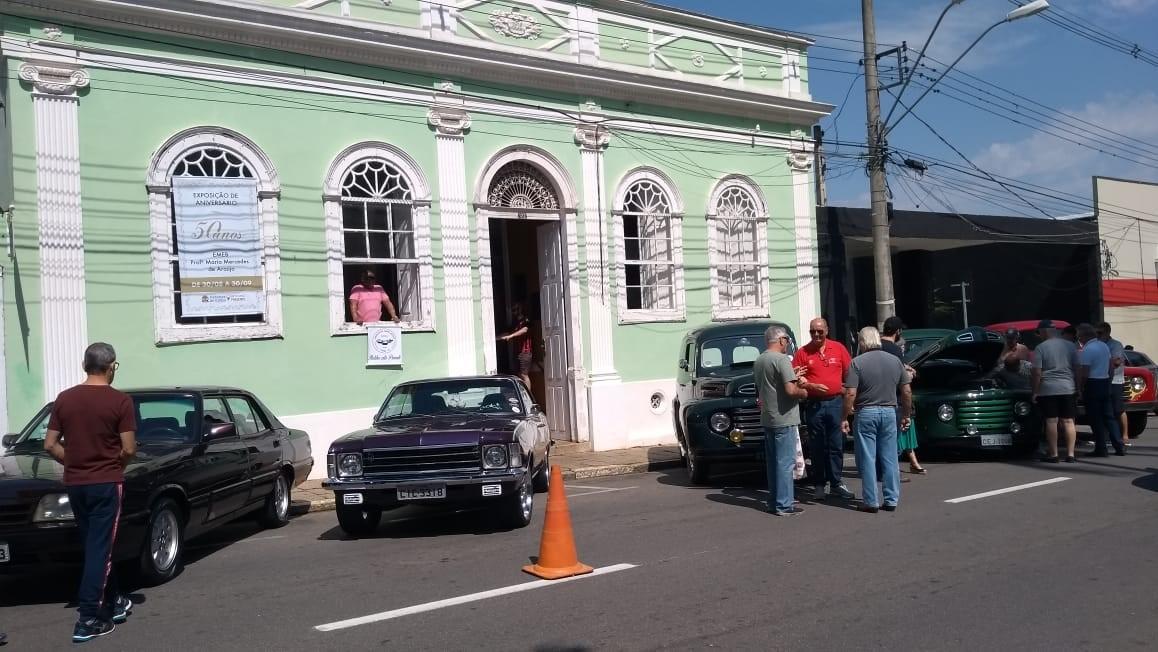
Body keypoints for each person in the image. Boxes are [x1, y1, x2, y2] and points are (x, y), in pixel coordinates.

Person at [43, 343, 137, 643]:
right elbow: (129, 448)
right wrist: (113, 464)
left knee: (96, 545)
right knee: (102, 548)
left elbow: (50, 444)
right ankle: (88, 618)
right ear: (110, 366)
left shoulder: (65, 399)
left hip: (75, 483)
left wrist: (74, 461)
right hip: (106, 482)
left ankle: (113, 601)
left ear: (86, 365)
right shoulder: (119, 401)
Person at [842, 326, 912, 513]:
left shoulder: (857, 363)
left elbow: (850, 393)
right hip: (889, 411)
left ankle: (871, 500)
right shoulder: (895, 361)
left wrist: (845, 416)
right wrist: (906, 414)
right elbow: (906, 390)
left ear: (863, 343)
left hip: (866, 412)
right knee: (890, 457)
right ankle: (891, 499)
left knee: (867, 458)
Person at [792, 317, 855, 501]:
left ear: (827, 330)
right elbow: (792, 376)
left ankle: (836, 483)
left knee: (836, 444)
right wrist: (803, 381)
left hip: (836, 403)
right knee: (817, 445)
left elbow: (850, 374)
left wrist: (850, 398)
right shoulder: (803, 352)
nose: (816, 334)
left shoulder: (838, 348)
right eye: (813, 331)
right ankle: (819, 484)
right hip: (814, 405)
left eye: (820, 331)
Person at [753, 325, 809, 516]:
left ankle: (774, 501)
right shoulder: (782, 359)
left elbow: (769, 385)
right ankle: (784, 505)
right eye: (787, 340)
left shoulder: (760, 360)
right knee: (785, 463)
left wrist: (794, 375)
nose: (788, 343)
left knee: (774, 463)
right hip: (784, 417)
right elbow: (791, 391)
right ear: (781, 340)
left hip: (768, 417)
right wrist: (804, 391)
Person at [880, 317, 926, 475]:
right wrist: (909, 375)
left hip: (878, 398)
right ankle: (892, 474)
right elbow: (902, 380)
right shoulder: (894, 349)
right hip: (895, 399)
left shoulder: (876, 346)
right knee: (894, 439)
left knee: (882, 440)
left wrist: (906, 367)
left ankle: (883, 472)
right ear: (898, 331)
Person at [1031, 320, 1080, 462]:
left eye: (1039, 333)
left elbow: (1037, 372)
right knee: (1069, 421)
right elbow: (1077, 368)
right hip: (1068, 387)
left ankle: (1054, 454)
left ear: (1044, 331)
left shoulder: (1041, 348)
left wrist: (1035, 391)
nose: (1039, 335)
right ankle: (1071, 454)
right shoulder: (1070, 346)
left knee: (1051, 421)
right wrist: (1078, 387)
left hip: (1048, 389)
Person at [1077, 323, 1125, 457]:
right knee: (1109, 417)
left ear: (1084, 336)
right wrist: (1108, 380)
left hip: (1093, 384)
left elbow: (1085, 372)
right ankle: (1119, 445)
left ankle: (1101, 448)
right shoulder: (1103, 346)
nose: (1079, 340)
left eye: (1079, 337)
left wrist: (1080, 388)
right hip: (1104, 382)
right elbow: (1111, 367)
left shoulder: (1088, 349)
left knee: (1095, 418)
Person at [1096, 321, 1129, 446]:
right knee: (1105, 409)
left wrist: (1102, 363)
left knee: (1118, 409)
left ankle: (1125, 434)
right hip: (1103, 380)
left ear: (1107, 332)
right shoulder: (1098, 344)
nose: (1098, 335)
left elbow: (1116, 361)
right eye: (1096, 333)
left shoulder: (1115, 344)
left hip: (1115, 380)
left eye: (1100, 333)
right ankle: (1106, 436)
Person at [497, 303, 533, 389]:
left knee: (524, 374)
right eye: (513, 310)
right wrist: (495, 338)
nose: (515, 312)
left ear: (521, 309)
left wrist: (511, 336)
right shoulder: (515, 323)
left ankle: (528, 396)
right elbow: (508, 333)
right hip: (517, 352)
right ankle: (523, 393)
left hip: (525, 351)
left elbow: (525, 330)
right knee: (519, 374)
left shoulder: (526, 320)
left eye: (517, 309)